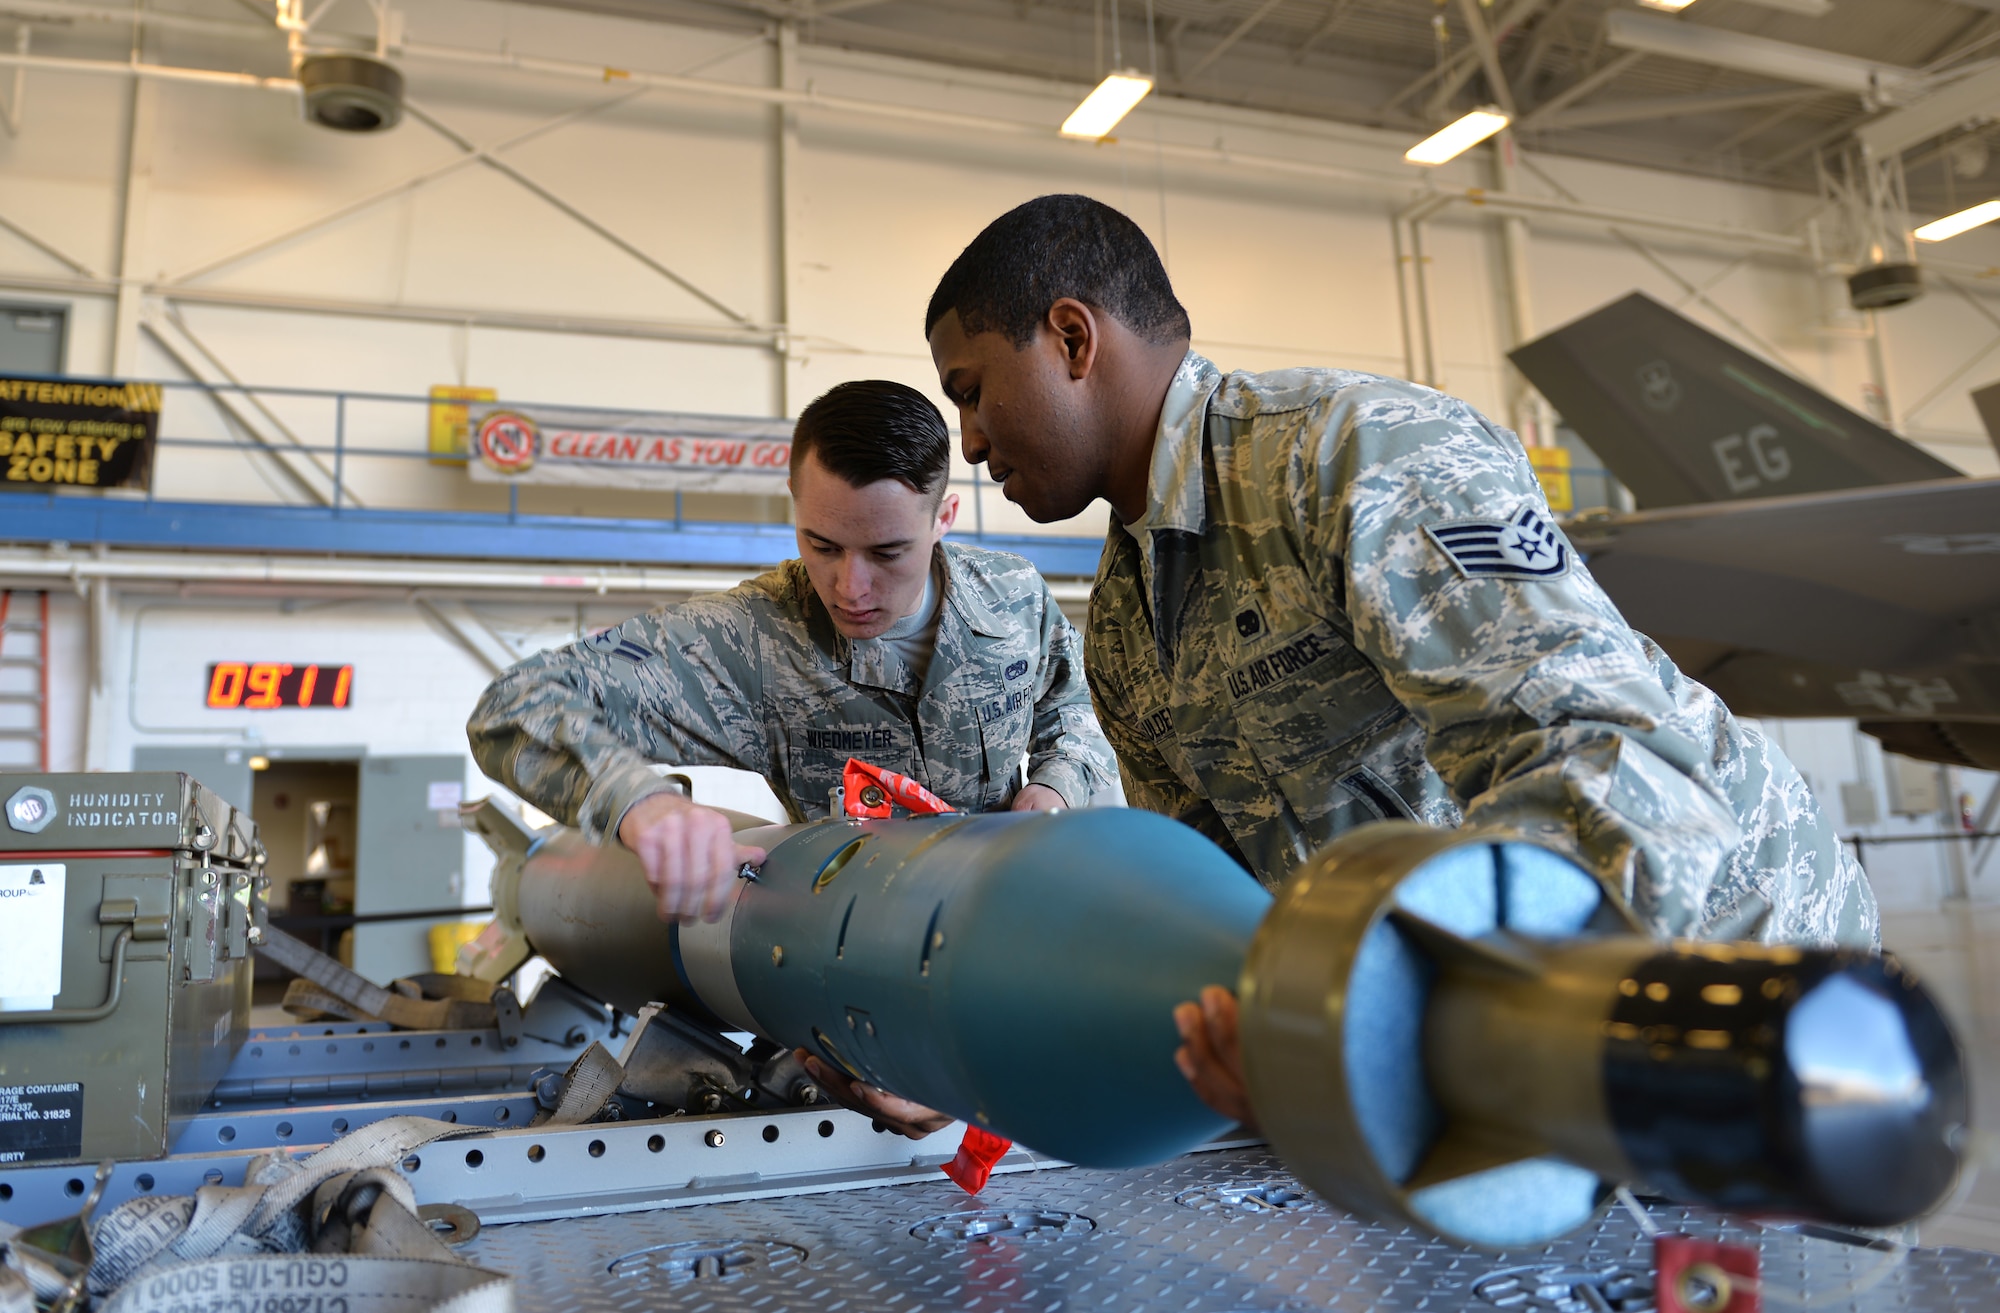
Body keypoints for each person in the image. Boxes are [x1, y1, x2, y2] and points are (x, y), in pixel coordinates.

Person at [923, 193, 1877, 1127]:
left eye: (971, 389)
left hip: (1731, 980)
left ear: (1073, 338)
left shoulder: (1356, 456)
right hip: (1491, 1038)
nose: (967, 439)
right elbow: (1214, 910)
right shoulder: (1127, 629)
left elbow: (1612, 761)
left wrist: (1407, 1024)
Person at [468, 378, 1119, 1132]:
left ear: (945, 515)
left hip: (1023, 963)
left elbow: (1072, 712)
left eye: (887, 551)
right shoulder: (754, 641)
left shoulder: (1013, 601)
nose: (851, 586)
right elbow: (511, 707)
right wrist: (637, 801)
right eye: (822, 544)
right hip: (866, 997)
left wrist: (1057, 789)